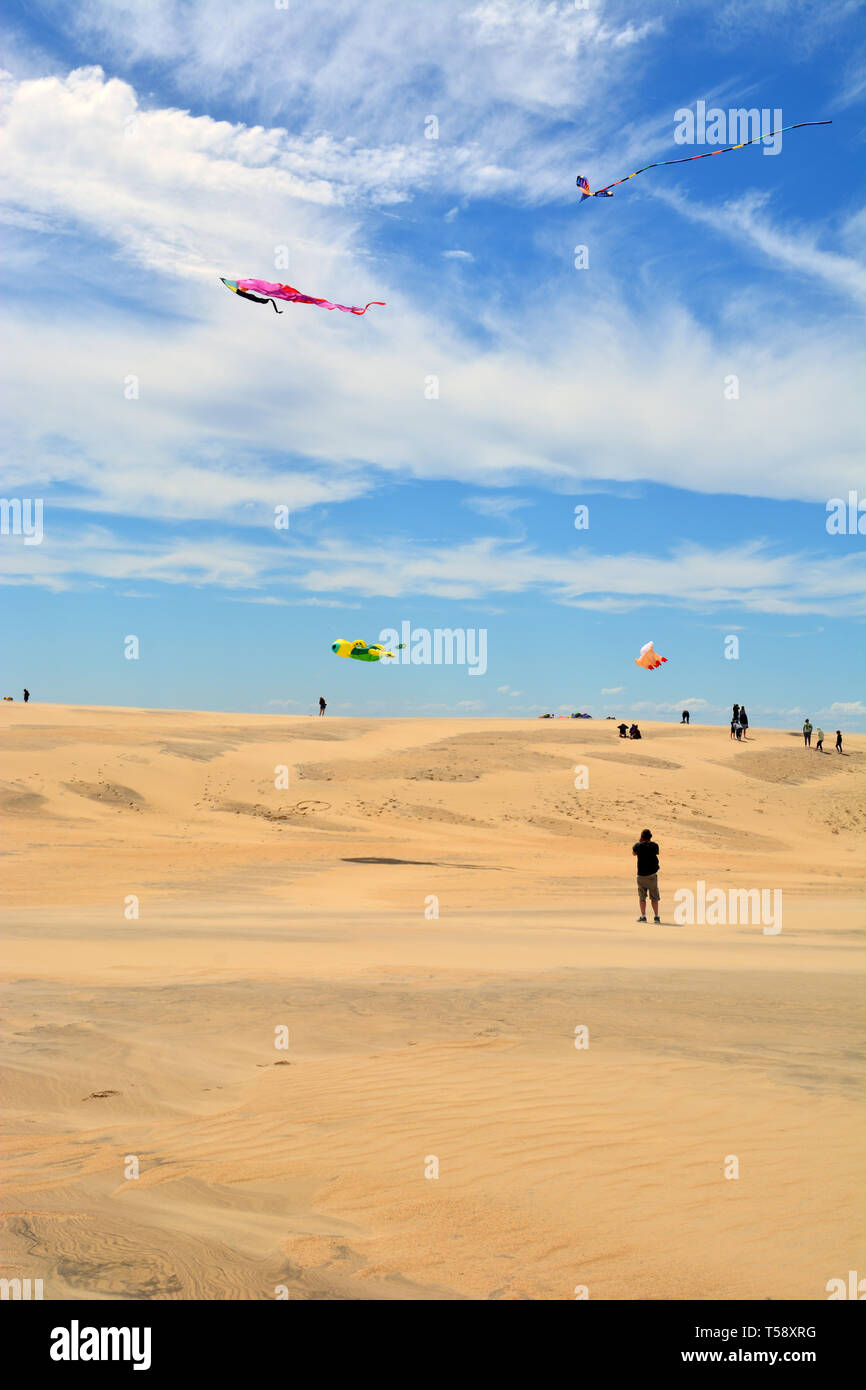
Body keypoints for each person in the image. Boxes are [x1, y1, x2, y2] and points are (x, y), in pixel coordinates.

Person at [633, 829, 661, 924]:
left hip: (641, 875)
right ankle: (656, 916)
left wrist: (640, 842)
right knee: (654, 897)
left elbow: (633, 853)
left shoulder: (638, 846)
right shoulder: (654, 846)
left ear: (642, 836)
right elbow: (656, 853)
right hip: (652, 875)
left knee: (642, 897)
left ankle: (643, 916)